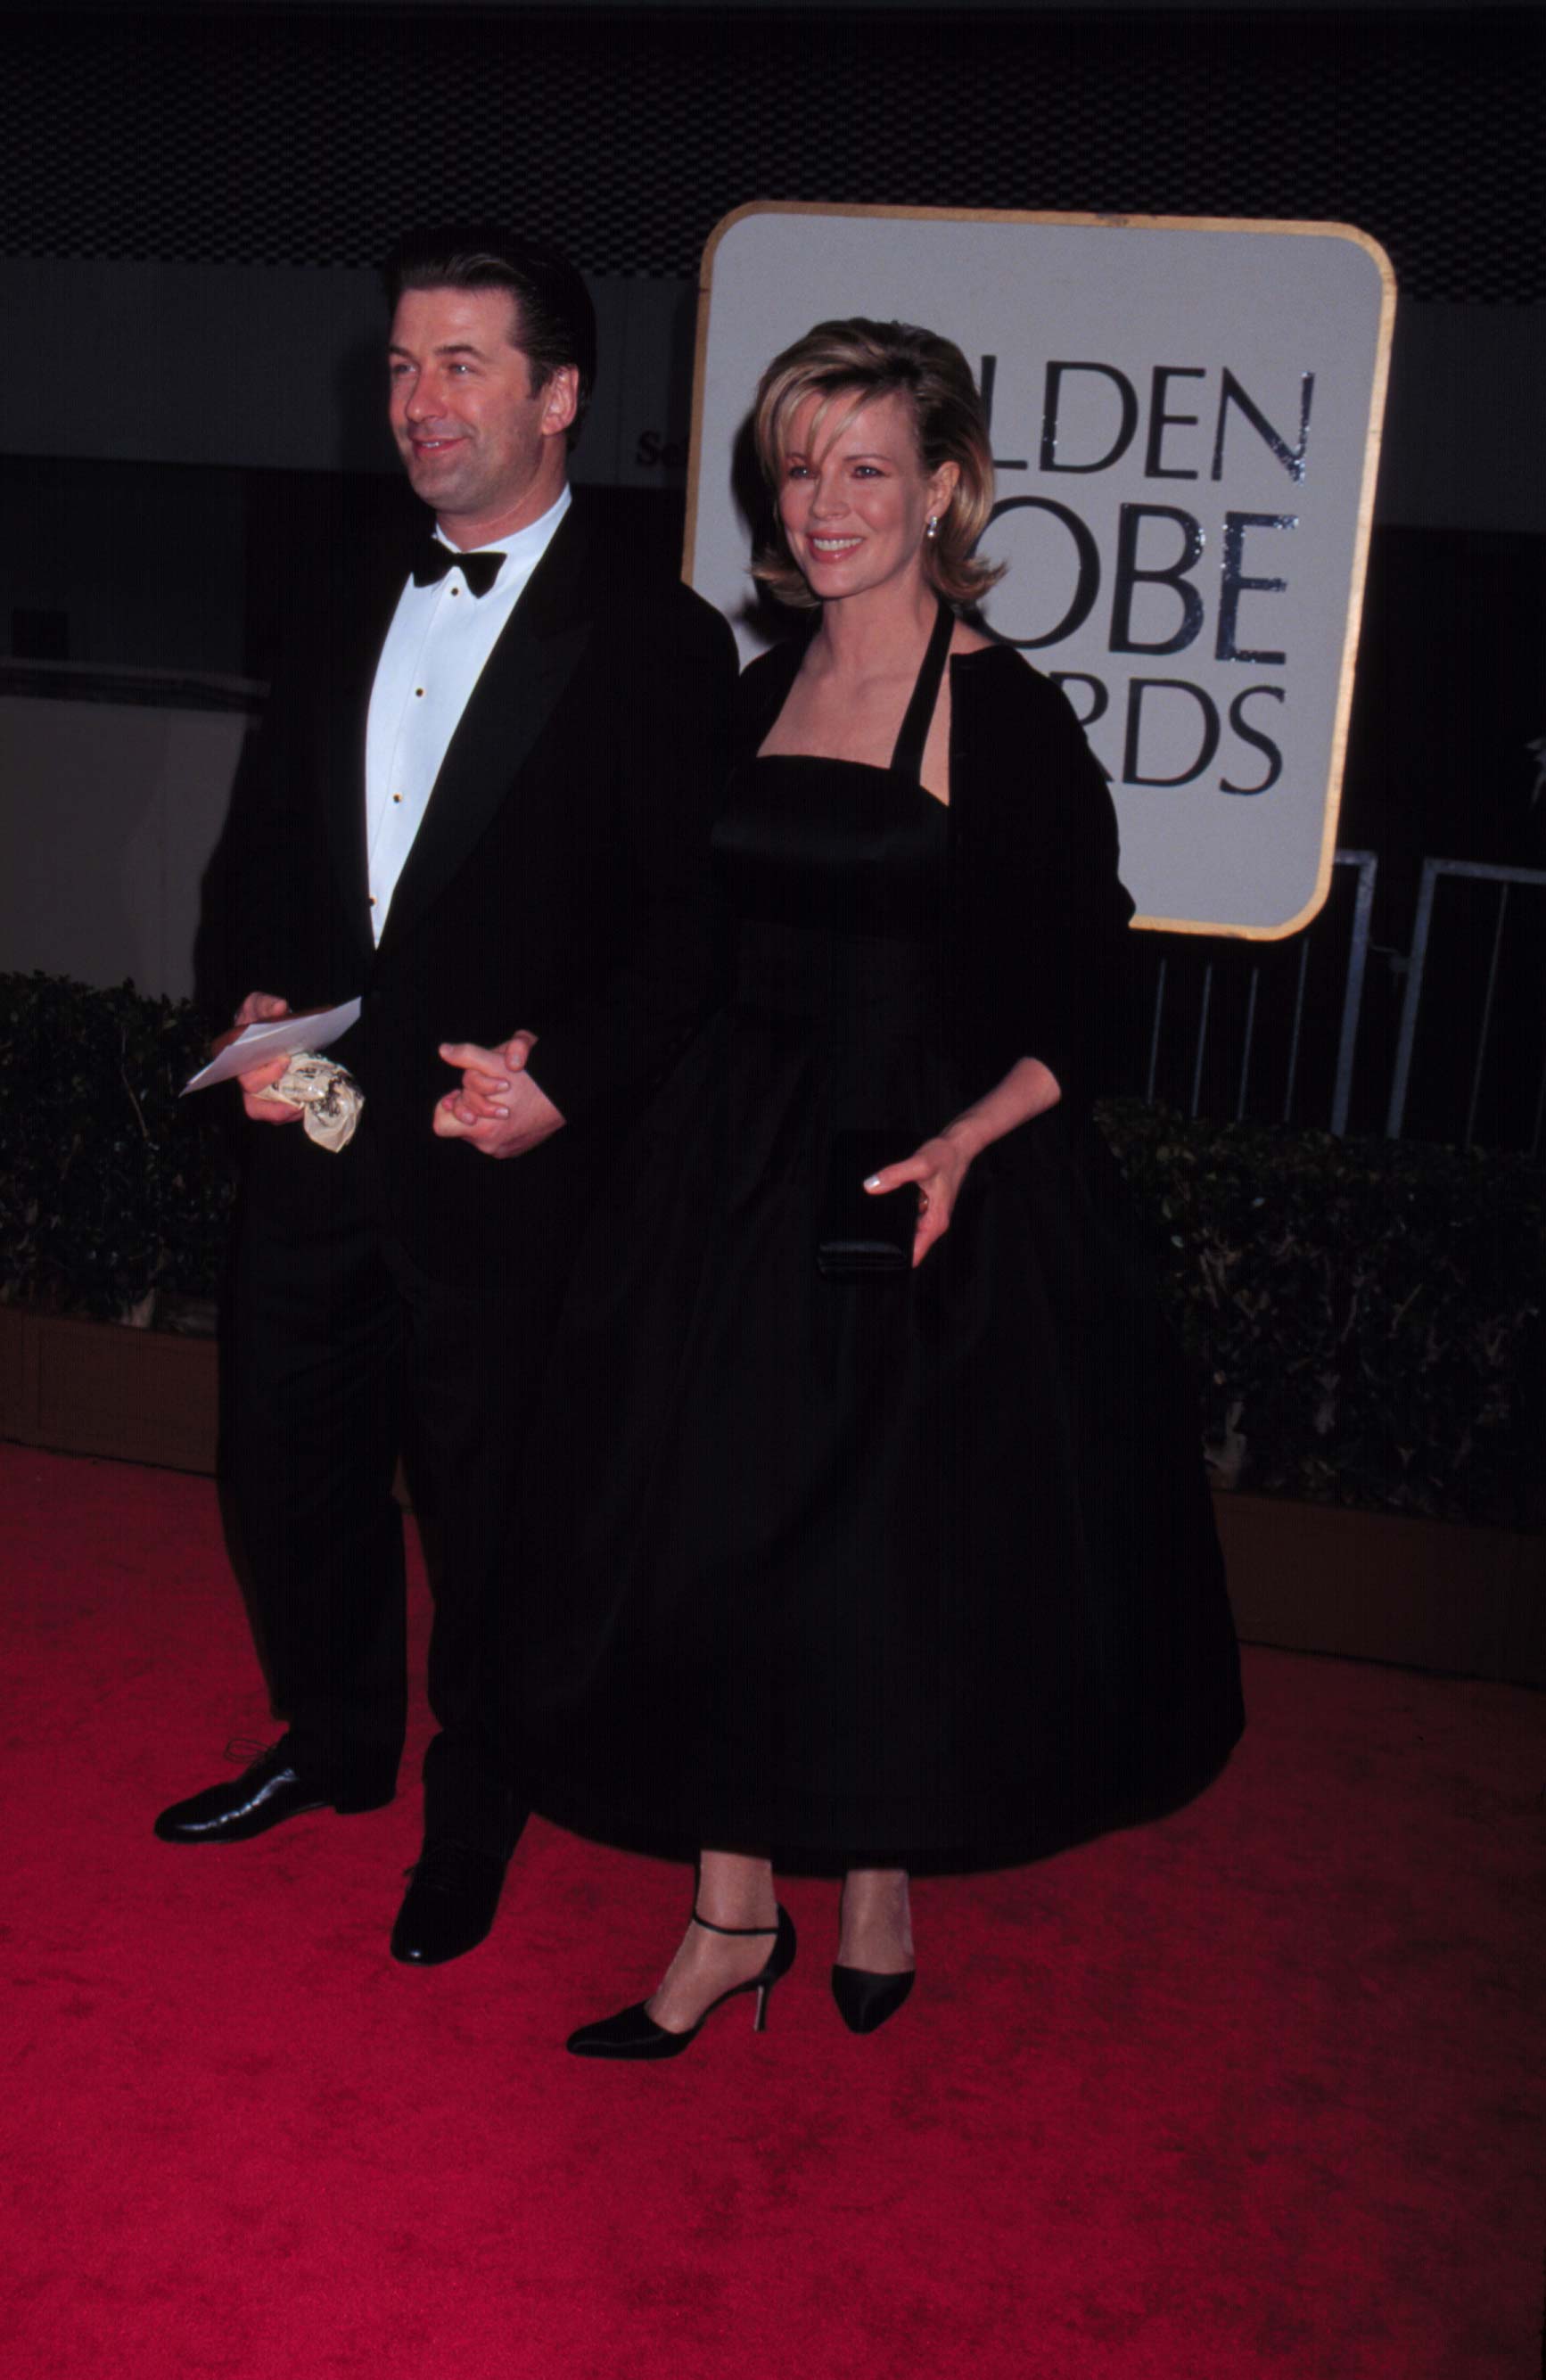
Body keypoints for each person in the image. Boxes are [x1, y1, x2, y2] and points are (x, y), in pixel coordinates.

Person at [518, 317, 1245, 2055]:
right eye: (800, 466)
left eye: (866, 467)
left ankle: (878, 1872)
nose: (826, 502)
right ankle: (730, 1913)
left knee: (885, 1560)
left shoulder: (1002, 710)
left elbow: (1091, 979)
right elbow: (684, 944)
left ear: (942, 490)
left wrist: (973, 1141)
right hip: (724, 1166)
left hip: (923, 1166)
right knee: (710, 1536)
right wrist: (555, 1067)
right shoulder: (753, 690)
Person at [154, 226, 738, 1971]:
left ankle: (475, 1808)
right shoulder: (342, 585)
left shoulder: (657, 639)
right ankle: (336, 1744)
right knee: (283, 1468)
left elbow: (691, 941)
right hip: (315, 1141)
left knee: (492, 1518)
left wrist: (564, 1087)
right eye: (403, 364)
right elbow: (258, 853)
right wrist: (247, 1011)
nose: (419, 400)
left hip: (505, 1175)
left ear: (559, 397)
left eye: (461, 365)